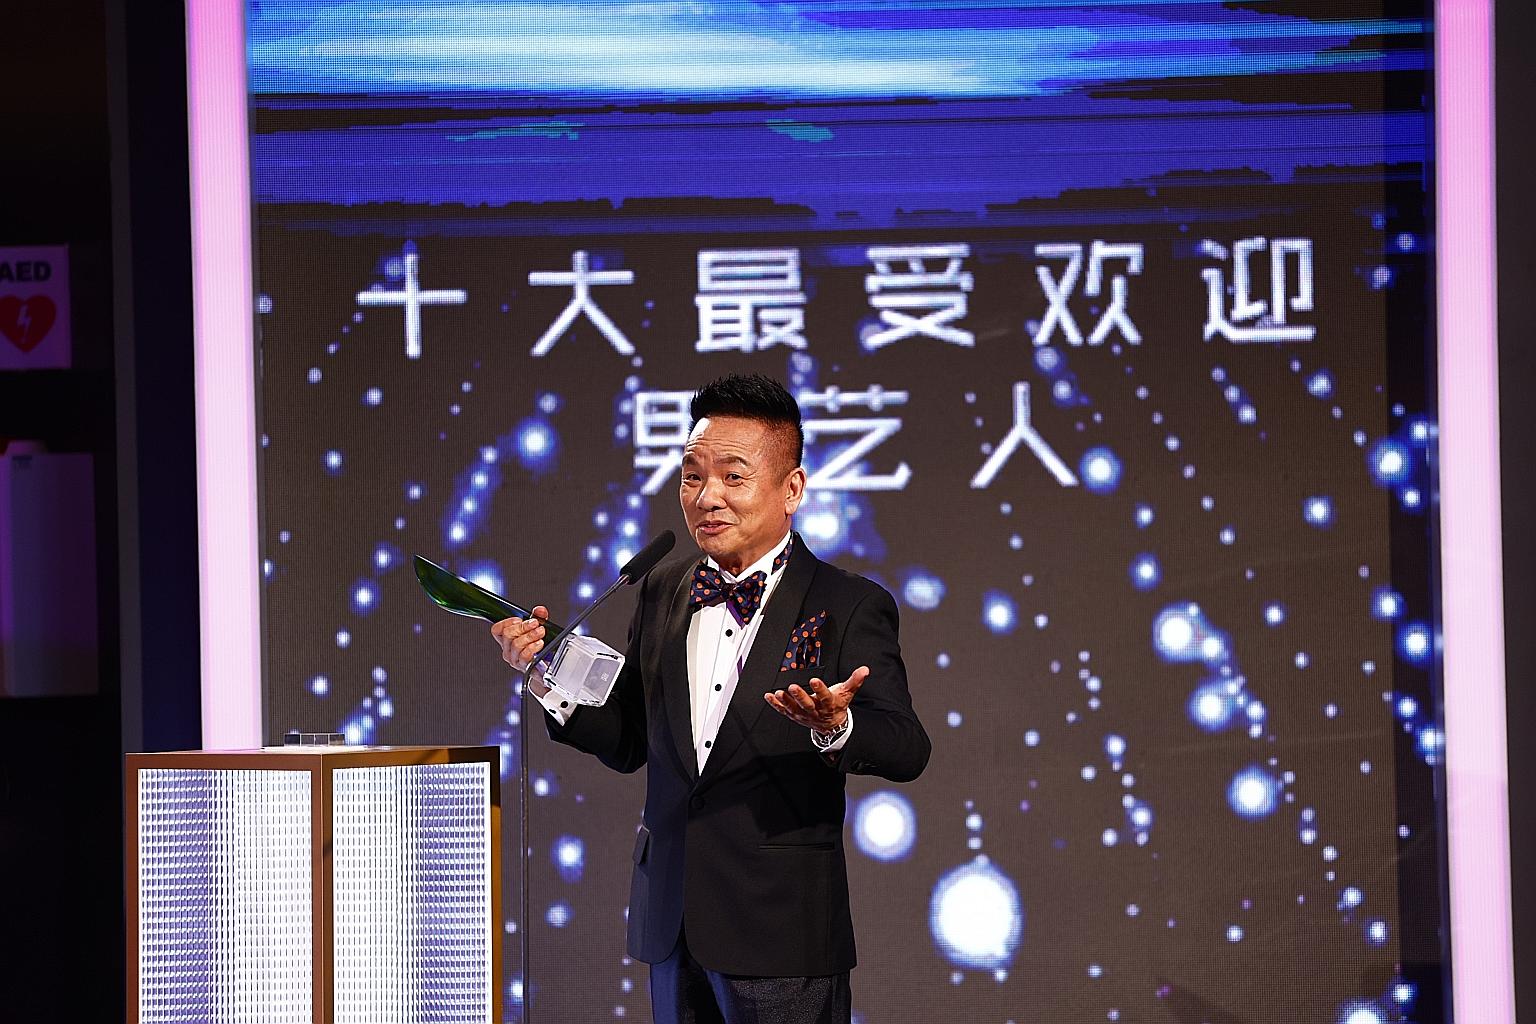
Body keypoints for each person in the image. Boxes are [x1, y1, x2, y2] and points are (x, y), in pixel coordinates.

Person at [493, 373, 930, 1024]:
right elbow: (634, 737)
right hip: (671, 923)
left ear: (793, 490)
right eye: (692, 475)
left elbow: (905, 744)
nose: (707, 496)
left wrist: (837, 726)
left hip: (783, 933)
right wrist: (550, 680)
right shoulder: (663, 589)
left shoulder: (849, 604)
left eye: (733, 476)